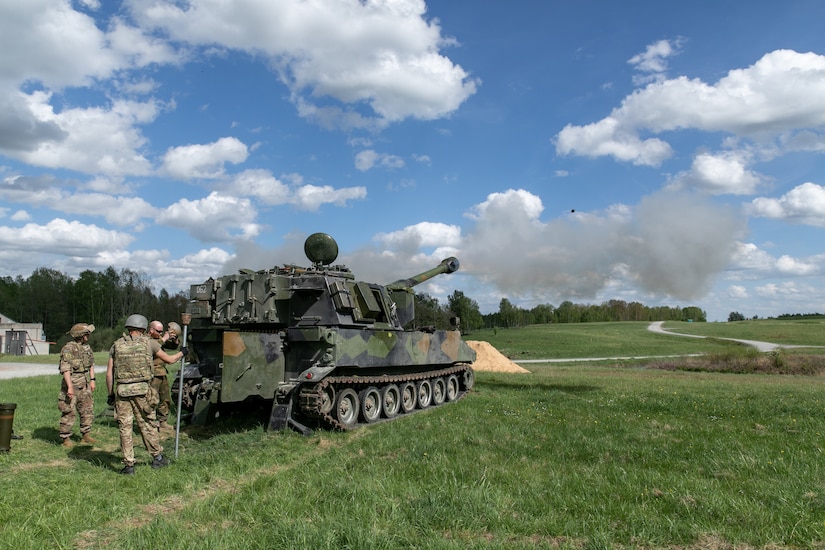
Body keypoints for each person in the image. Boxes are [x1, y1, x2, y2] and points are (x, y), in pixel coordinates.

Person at [106, 314, 185, 475]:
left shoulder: (117, 345)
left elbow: (109, 373)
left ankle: (129, 465)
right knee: (147, 424)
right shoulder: (149, 343)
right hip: (142, 392)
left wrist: (111, 394)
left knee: (125, 428)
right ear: (143, 328)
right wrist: (183, 352)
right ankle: (157, 458)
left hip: (122, 392)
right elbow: (169, 360)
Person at [58, 323, 96, 448]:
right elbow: (65, 369)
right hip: (73, 383)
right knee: (69, 411)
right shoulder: (69, 349)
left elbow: (91, 365)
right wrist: (69, 386)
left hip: (84, 383)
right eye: (86, 334)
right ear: (81, 335)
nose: (88, 336)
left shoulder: (86, 348)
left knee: (87, 409)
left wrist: (92, 380)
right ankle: (66, 438)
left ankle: (86, 435)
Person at [148, 320, 180, 436]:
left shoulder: (159, 339)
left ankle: (163, 422)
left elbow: (172, 346)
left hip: (162, 372)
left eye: (162, 331)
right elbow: (152, 349)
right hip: (152, 374)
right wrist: (164, 338)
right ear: (151, 330)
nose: (160, 333)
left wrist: (174, 338)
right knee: (152, 399)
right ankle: (150, 423)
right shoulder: (146, 340)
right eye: (158, 331)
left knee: (165, 398)